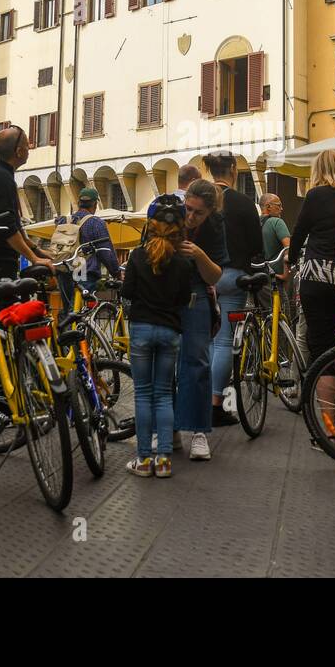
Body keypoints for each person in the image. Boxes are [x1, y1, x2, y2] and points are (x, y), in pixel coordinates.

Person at [121, 196, 195, 478]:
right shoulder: (183, 263)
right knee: (164, 394)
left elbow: (127, 292)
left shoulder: (138, 256)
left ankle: (143, 459)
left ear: (150, 228)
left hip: (141, 328)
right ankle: (164, 460)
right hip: (170, 331)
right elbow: (183, 298)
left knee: (143, 394)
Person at [289, 148, 335, 432]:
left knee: (320, 349)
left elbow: (299, 233)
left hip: (317, 277)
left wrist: (290, 262)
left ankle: (325, 429)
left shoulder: (315, 196)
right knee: (331, 346)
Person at [204, 151, 264, 427]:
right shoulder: (243, 203)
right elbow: (256, 246)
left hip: (205, 278)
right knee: (225, 341)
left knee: (205, 341)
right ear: (232, 170)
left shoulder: (201, 200)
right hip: (233, 276)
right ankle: (216, 404)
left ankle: (198, 400)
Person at [173, 178, 225, 461]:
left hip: (196, 293)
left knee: (197, 363)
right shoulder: (169, 215)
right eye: (188, 209)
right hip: (165, 296)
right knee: (165, 363)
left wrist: (200, 255)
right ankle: (169, 428)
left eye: (198, 213)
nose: (190, 217)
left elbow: (215, 276)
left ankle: (198, 432)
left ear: (210, 212)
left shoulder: (215, 226)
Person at [0, 126, 53, 283]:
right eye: (27, 144)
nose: (30, 148)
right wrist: (34, 259)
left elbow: (14, 225)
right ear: (19, 151)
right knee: (6, 307)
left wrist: (37, 250)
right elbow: (7, 228)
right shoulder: (2, 179)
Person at [55, 187, 121, 309]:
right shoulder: (96, 222)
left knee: (67, 308)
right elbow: (105, 252)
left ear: (79, 203)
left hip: (63, 269)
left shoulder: (63, 220)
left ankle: (64, 326)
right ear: (95, 204)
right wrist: (116, 273)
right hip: (83, 271)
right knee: (80, 311)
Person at [259, 193, 291, 264]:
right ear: (268, 207)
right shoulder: (277, 222)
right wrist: (285, 273)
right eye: (279, 205)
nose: (281, 209)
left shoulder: (255, 222)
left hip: (259, 268)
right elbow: (288, 248)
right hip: (276, 270)